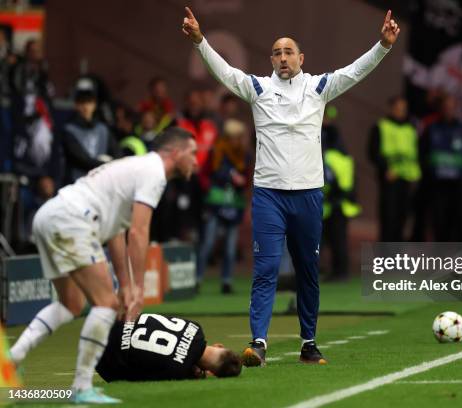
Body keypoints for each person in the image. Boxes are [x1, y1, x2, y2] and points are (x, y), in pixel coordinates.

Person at [182, 6, 399, 366]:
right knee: (265, 269)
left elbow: (356, 71)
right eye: (277, 53)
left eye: (288, 52)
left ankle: (309, 344)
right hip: (269, 196)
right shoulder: (258, 88)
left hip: (309, 196)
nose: (283, 58)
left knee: (307, 271)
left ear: (301, 58)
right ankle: (259, 343)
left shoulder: (319, 87)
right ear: (271, 60)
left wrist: (384, 46)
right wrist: (201, 42)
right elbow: (225, 72)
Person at [9, 127, 197, 403]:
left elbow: (116, 234)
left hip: (49, 215)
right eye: (192, 153)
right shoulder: (154, 173)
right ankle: (82, 387)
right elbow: (138, 232)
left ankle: (12, 358)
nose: (196, 160)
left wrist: (125, 283)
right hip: (73, 220)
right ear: (175, 152)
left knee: (71, 304)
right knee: (106, 304)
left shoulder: (136, 168)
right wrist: (137, 288)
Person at [96, 313, 241, 382]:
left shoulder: (195, 327)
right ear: (210, 372)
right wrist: (189, 373)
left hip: (111, 320)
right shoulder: (178, 372)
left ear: (218, 346)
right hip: (100, 357)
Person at [197, 119, 250, 294]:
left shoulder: (244, 155)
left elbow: (249, 178)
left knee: (230, 246)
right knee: (208, 242)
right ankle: (197, 280)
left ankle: (226, 281)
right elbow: (204, 175)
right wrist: (211, 188)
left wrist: (243, 182)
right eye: (234, 137)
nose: (237, 140)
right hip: (215, 203)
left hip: (234, 204)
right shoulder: (216, 152)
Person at [368, 96, 420, 242]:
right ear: (391, 108)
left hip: (407, 178)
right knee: (389, 218)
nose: (401, 112)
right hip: (390, 178)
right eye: (398, 108)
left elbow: (414, 153)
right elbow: (373, 152)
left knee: (403, 218)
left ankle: (397, 255)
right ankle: (386, 256)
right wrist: (385, 168)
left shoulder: (411, 128)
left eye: (404, 109)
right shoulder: (382, 126)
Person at [420, 95, 462, 242]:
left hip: (457, 184)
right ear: (441, 108)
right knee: (438, 220)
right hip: (437, 183)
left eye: (452, 107)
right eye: (446, 106)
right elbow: (423, 152)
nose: (449, 110)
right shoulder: (432, 128)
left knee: (458, 220)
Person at [321, 105, 360, 281]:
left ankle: (337, 271)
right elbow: (351, 181)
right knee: (339, 239)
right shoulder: (346, 158)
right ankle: (340, 271)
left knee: (331, 239)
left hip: (332, 203)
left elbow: (328, 181)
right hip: (344, 202)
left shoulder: (327, 158)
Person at [62, 87, 118, 185]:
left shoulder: (103, 129)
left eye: (89, 102)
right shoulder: (69, 130)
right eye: (82, 103)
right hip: (78, 181)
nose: (86, 107)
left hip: (100, 181)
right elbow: (80, 158)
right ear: (76, 105)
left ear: (94, 105)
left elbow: (117, 152)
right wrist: (106, 165)